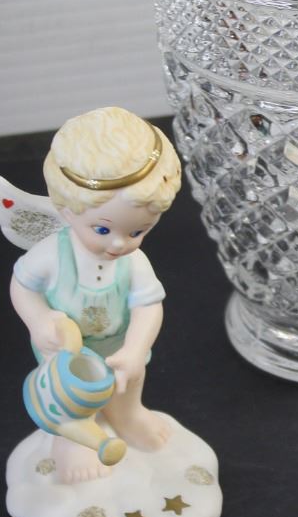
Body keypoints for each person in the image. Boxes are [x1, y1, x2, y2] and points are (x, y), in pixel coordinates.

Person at [10, 108, 181, 482]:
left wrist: (135, 349)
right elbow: (22, 286)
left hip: (118, 347)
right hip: (65, 355)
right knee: (70, 399)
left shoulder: (134, 264)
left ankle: (126, 416)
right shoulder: (52, 255)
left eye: (137, 232)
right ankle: (75, 439)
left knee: (128, 383)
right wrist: (39, 320)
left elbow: (149, 306)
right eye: (103, 230)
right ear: (66, 210)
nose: (120, 244)